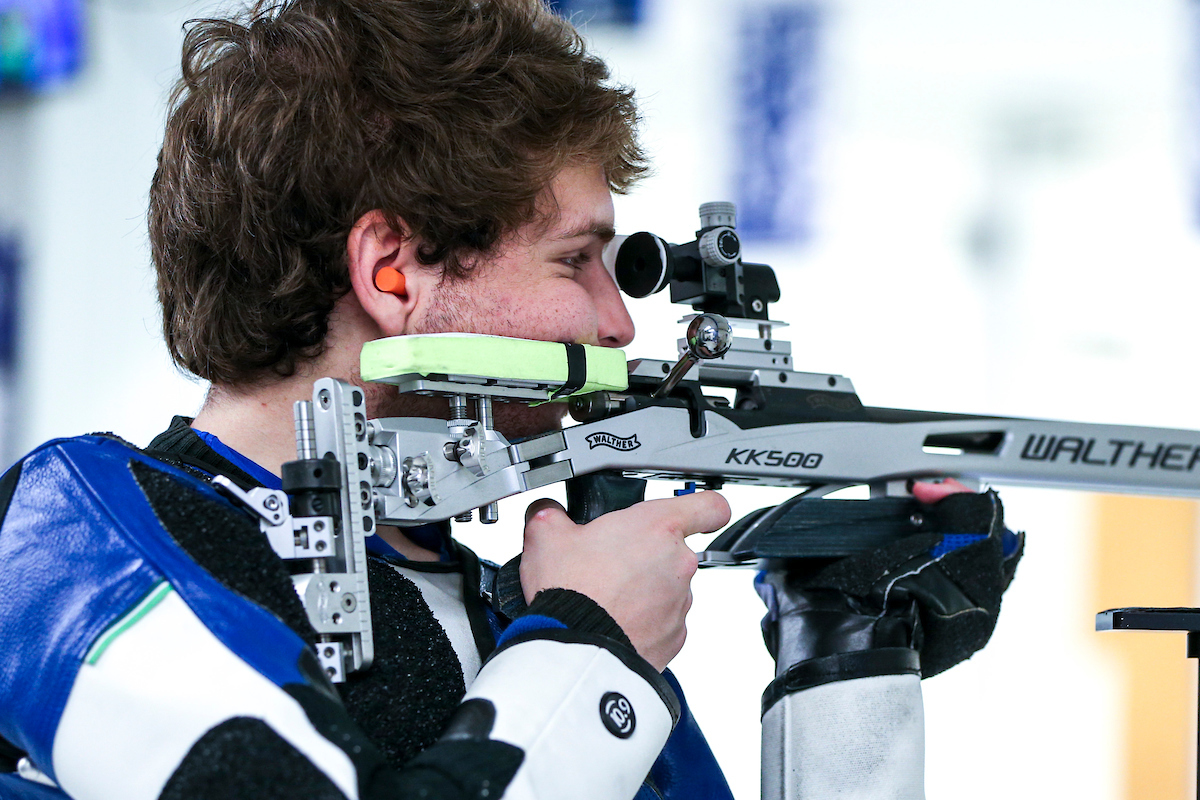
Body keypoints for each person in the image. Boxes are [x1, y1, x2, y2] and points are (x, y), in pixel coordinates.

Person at [0, 1, 1021, 798]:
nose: (620, 326)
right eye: (576, 259)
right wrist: (590, 647)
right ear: (392, 271)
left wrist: (845, 649)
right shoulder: (59, 539)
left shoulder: (505, 608)